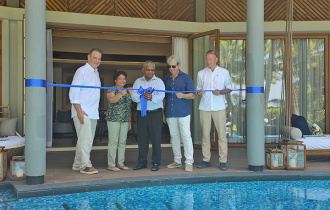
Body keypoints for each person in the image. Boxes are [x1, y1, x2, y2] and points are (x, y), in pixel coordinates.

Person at [196, 50, 232, 171]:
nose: (208, 61)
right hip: (204, 107)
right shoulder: (201, 73)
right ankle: (206, 160)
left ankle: (223, 161)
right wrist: (199, 92)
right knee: (205, 135)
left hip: (219, 107)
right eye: (207, 59)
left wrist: (220, 92)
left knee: (222, 135)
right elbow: (198, 88)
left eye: (211, 59)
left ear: (216, 59)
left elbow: (229, 88)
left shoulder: (224, 72)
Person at [69, 48, 102, 174]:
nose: (97, 61)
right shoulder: (81, 71)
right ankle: (85, 166)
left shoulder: (96, 72)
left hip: (93, 113)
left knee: (84, 140)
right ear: (88, 57)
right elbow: (73, 92)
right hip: (83, 112)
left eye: (99, 59)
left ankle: (77, 164)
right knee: (86, 141)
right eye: (95, 58)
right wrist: (79, 111)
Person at [163, 55, 195, 172]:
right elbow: (164, 97)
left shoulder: (186, 78)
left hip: (183, 112)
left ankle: (189, 161)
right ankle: (177, 161)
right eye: (169, 66)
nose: (171, 68)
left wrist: (183, 95)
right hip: (170, 112)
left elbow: (192, 95)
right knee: (174, 137)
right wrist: (163, 112)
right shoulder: (166, 78)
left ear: (179, 65)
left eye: (173, 66)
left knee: (186, 136)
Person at [131, 60, 165, 171]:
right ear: (143, 70)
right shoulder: (137, 81)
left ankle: (156, 162)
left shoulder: (159, 82)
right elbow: (133, 97)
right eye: (148, 69)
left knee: (156, 139)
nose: (150, 72)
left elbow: (161, 96)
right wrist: (142, 97)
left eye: (152, 70)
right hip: (142, 114)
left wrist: (151, 98)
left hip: (155, 113)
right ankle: (142, 162)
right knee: (142, 139)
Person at [106, 71, 132, 172]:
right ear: (115, 80)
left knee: (122, 142)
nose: (122, 80)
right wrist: (120, 93)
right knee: (113, 142)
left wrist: (129, 120)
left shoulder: (126, 91)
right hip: (113, 119)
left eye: (124, 78)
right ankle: (111, 164)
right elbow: (112, 100)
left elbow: (128, 107)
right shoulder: (111, 90)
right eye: (120, 78)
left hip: (124, 119)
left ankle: (121, 163)